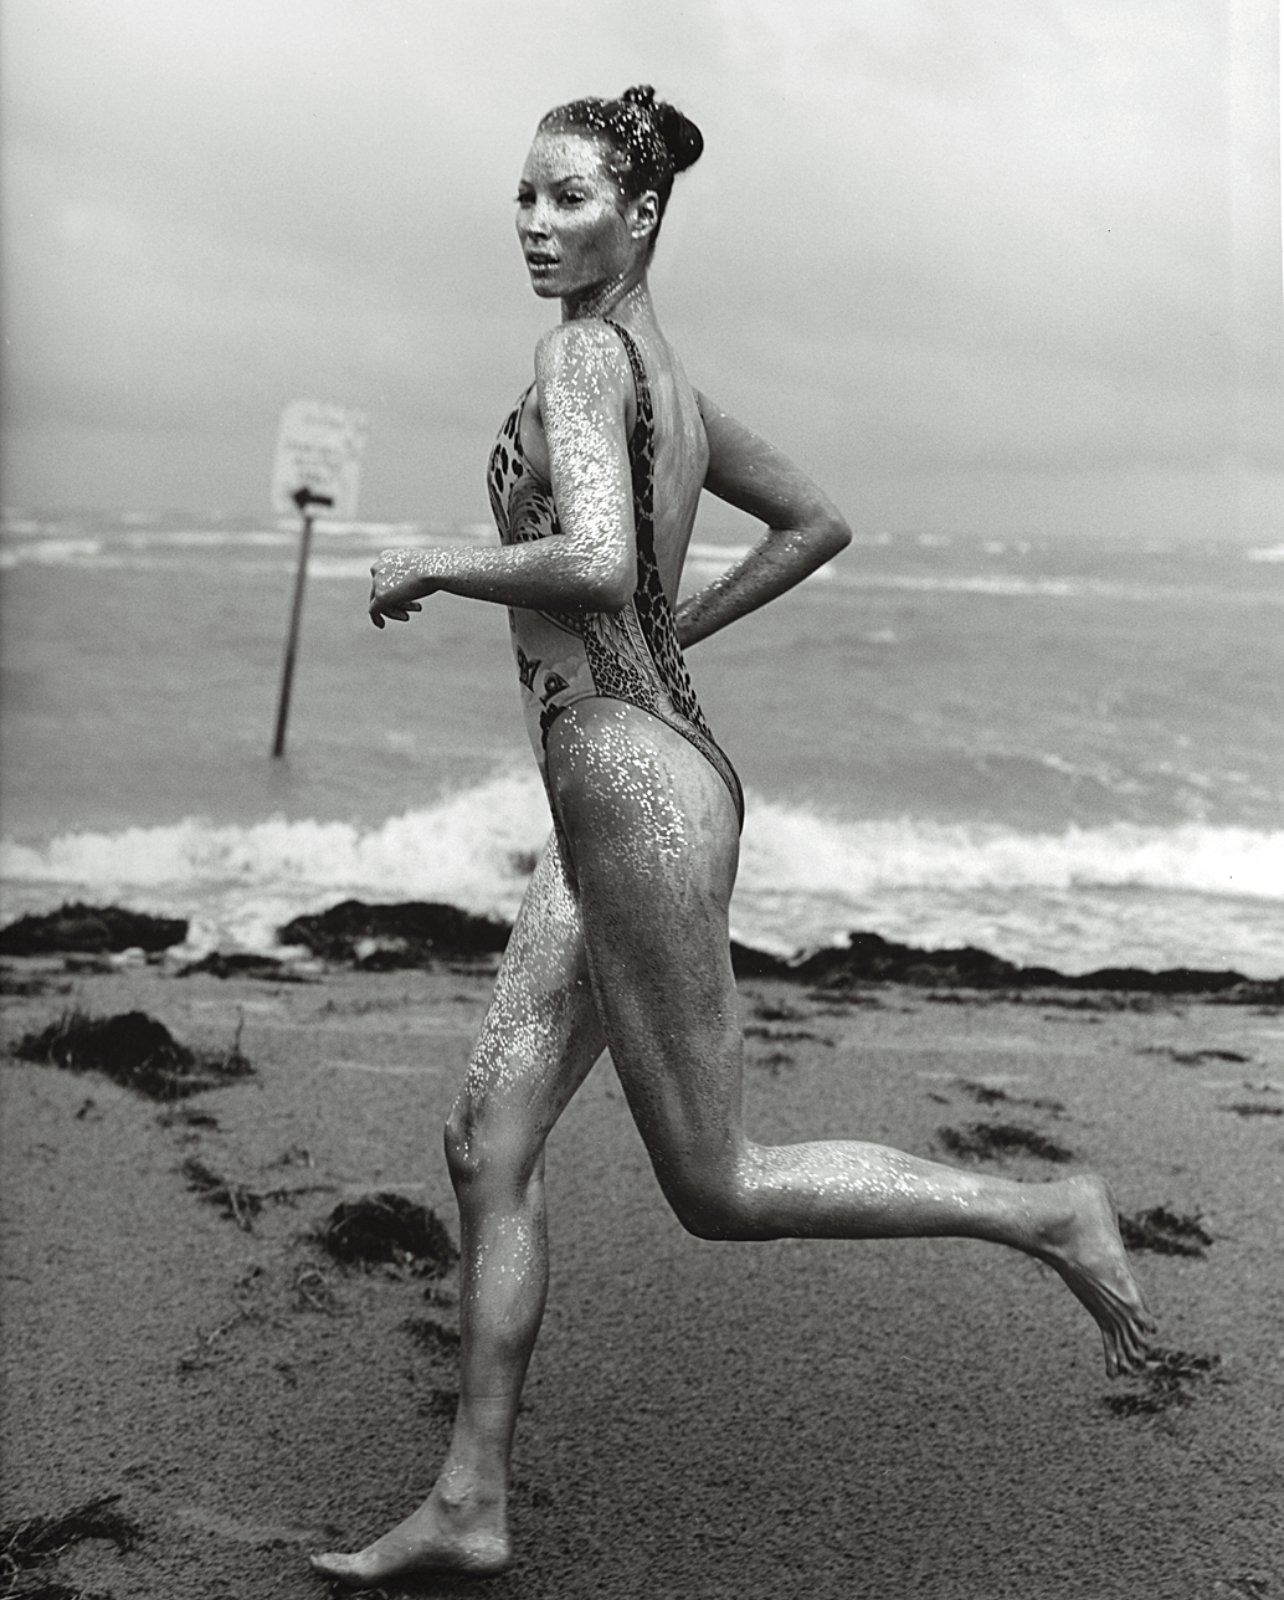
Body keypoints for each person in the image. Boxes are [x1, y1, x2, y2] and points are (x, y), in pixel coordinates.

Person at [311, 84, 1154, 1588]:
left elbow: (593, 553)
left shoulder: (580, 355)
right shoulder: (667, 380)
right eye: (523, 195)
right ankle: (469, 1500)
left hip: (631, 788)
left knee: (719, 1183)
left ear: (640, 216)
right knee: (482, 1143)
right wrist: (673, 631)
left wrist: (436, 558)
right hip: (636, 774)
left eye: (569, 198)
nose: (535, 223)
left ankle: (1044, 1207)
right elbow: (814, 520)